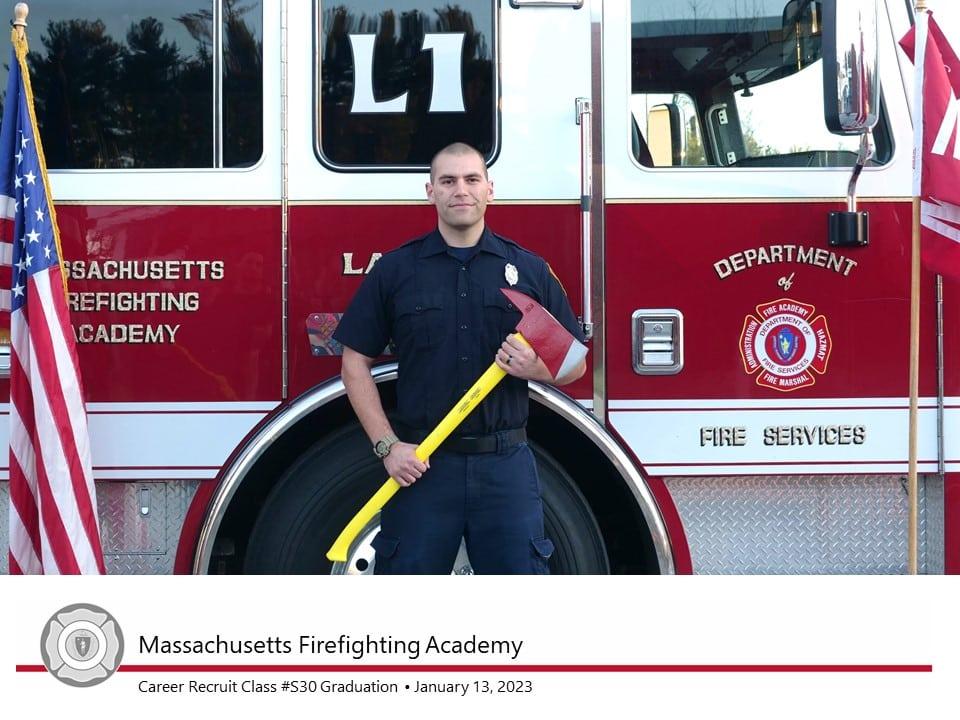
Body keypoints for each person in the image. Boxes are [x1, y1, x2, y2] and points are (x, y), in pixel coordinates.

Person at [333, 142, 586, 574]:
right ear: (430, 191)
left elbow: (575, 365)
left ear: (490, 189)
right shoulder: (396, 272)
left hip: (505, 467)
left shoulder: (527, 271)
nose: (460, 190)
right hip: (422, 468)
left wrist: (535, 369)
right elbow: (353, 362)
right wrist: (387, 447)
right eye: (448, 181)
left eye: (472, 180)